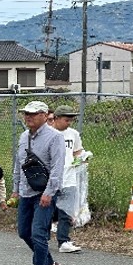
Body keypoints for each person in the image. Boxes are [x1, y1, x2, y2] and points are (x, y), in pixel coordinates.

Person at [10, 100, 66, 265]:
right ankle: (48, 262)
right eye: (26, 114)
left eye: (33, 114)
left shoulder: (54, 137)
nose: (28, 117)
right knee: (24, 232)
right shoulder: (23, 136)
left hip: (44, 192)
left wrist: (49, 192)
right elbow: (19, 163)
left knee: (38, 232)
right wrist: (16, 189)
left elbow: (58, 167)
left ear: (44, 115)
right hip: (26, 190)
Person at [51, 105, 84, 254]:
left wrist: (81, 159)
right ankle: (40, 232)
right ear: (56, 119)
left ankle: (63, 241)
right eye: (66, 119)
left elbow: (77, 151)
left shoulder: (74, 134)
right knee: (49, 208)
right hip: (52, 177)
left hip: (69, 176)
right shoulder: (48, 134)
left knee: (66, 210)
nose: (69, 122)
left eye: (71, 120)